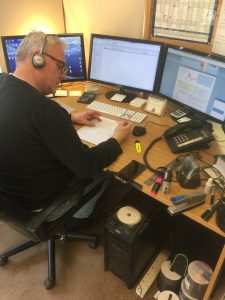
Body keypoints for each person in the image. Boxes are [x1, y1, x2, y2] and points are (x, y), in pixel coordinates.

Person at [0, 31, 132, 213]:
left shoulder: (3, 82)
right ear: (37, 58)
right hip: (38, 203)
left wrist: (71, 117)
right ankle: (81, 217)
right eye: (60, 66)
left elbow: (22, 122)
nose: (63, 75)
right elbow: (87, 164)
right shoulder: (43, 109)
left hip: (8, 195)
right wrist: (116, 139)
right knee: (107, 171)